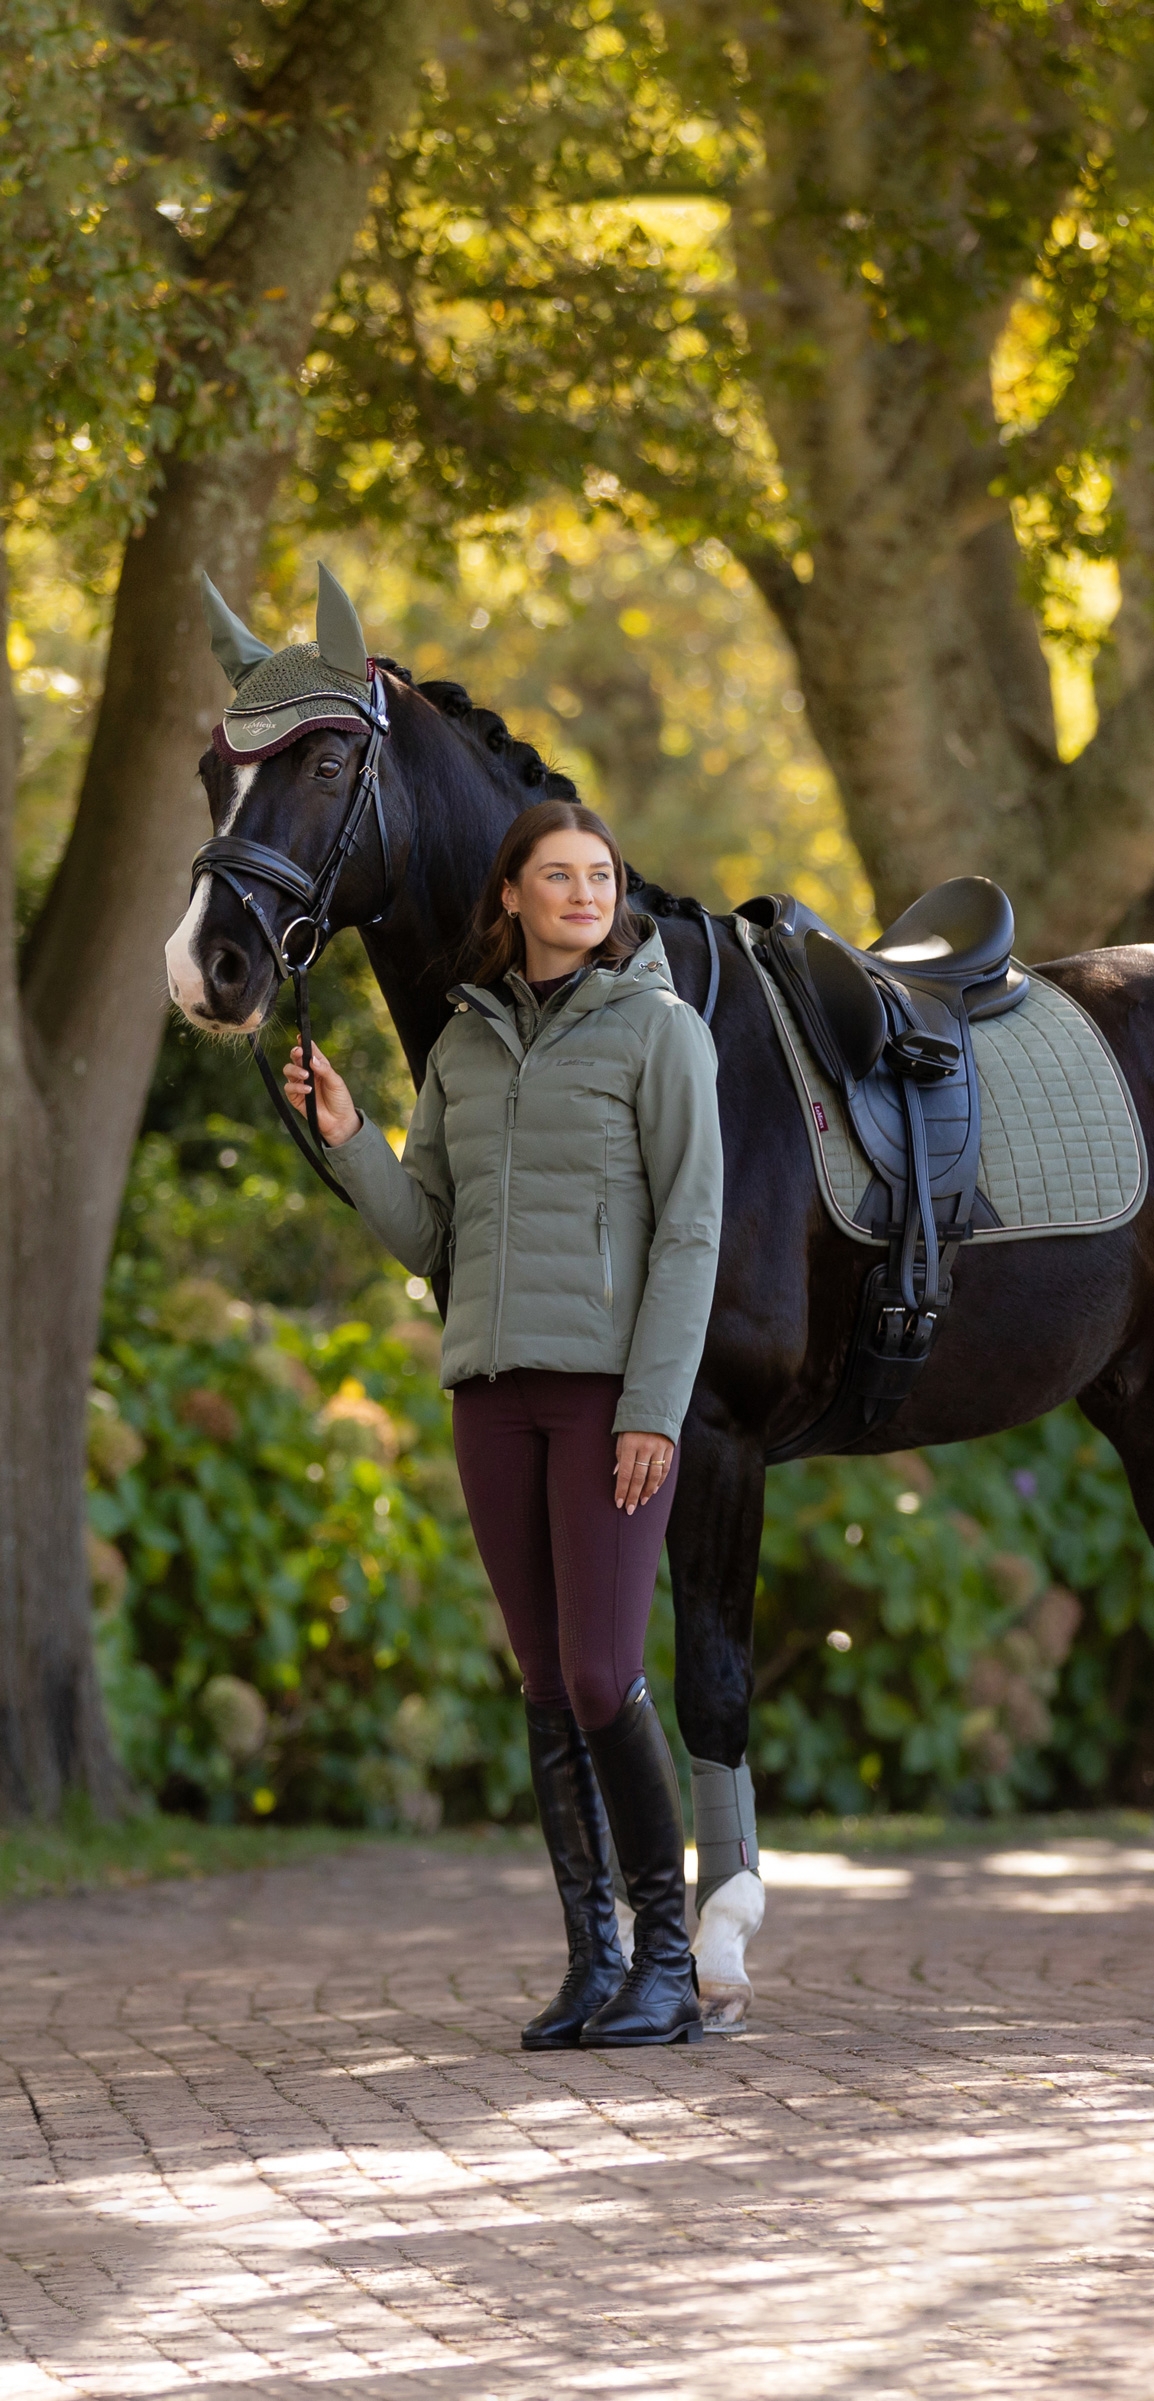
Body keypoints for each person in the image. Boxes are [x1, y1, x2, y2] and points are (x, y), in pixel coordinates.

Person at [284, 799, 723, 2049]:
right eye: (559, 875)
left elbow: (692, 1233)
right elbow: (430, 1235)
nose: (585, 892)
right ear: (510, 898)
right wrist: (350, 1137)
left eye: (601, 875)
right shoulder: (461, 1053)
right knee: (544, 1682)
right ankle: (593, 1961)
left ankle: (669, 1963)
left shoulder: (661, 1033)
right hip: (490, 1393)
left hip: (604, 1403)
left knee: (601, 1672)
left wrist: (654, 1409)